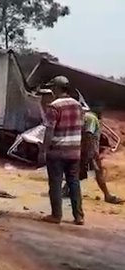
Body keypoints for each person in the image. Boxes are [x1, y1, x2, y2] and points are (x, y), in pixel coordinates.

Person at [40, 76, 85, 225]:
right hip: (74, 151)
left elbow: (49, 131)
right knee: (74, 183)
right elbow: (82, 129)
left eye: (53, 88)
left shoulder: (54, 106)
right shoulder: (78, 106)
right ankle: (79, 216)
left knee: (55, 183)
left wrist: (43, 150)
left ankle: (56, 215)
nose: (52, 91)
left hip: (57, 151)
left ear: (58, 88)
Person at [62, 106, 123, 205]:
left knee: (78, 171)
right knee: (98, 172)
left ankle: (65, 190)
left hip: (80, 149)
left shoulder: (84, 117)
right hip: (89, 151)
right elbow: (89, 134)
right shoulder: (92, 118)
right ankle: (107, 195)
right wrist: (90, 153)